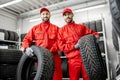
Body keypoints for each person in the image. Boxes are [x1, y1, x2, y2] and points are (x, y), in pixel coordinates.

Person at [58, 7, 99, 80]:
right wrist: (74, 46)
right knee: (74, 78)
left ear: (72, 15)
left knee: (88, 78)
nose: (67, 16)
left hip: (85, 58)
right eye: (65, 15)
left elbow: (92, 33)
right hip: (73, 60)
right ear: (63, 17)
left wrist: (96, 37)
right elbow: (61, 47)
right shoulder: (61, 31)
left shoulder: (81, 27)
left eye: (69, 14)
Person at [21, 7, 62, 80]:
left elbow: (60, 41)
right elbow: (26, 39)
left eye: (47, 14)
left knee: (56, 77)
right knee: (42, 76)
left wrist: (51, 50)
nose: (45, 15)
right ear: (41, 16)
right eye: (43, 14)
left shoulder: (56, 28)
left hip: (54, 56)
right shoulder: (35, 28)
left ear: (50, 15)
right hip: (41, 58)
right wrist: (26, 48)